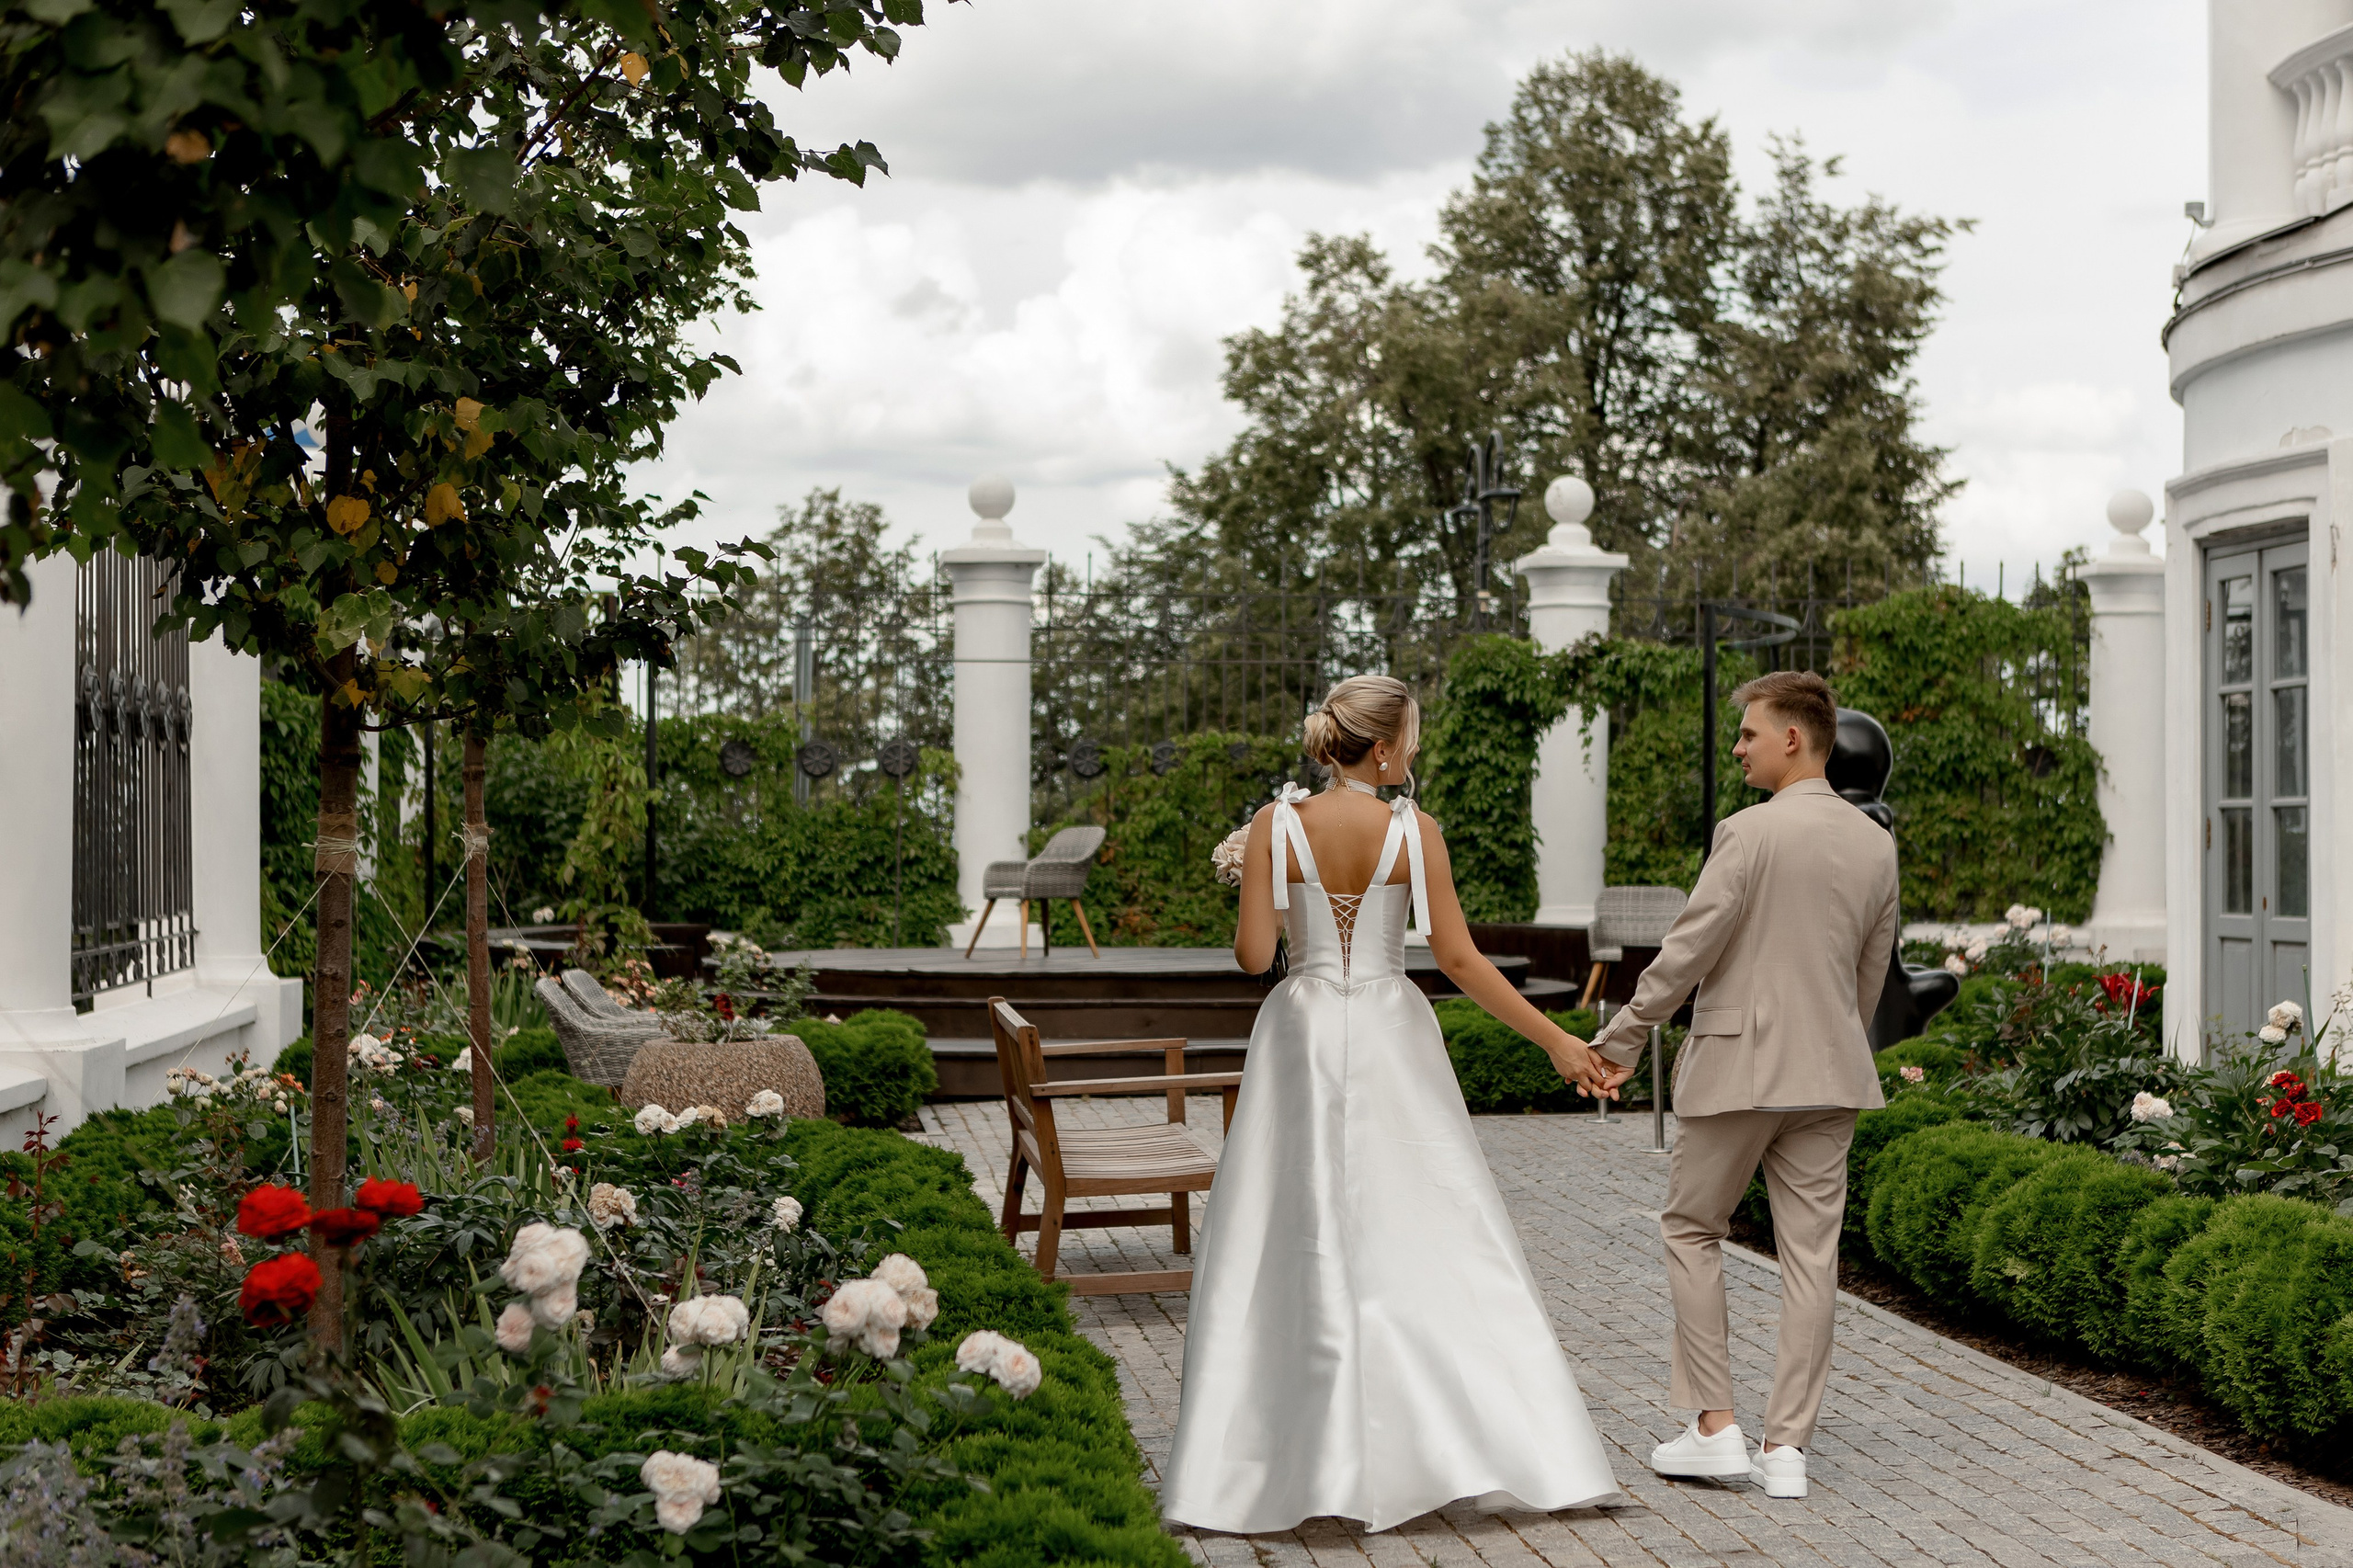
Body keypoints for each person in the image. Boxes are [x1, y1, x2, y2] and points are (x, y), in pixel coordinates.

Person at [1160, 675, 1624, 1536]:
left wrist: (1256, 877)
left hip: (1297, 1031)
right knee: (1426, 1219)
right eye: (1409, 737)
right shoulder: (1417, 831)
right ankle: (1457, 1436)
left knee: (1285, 1225)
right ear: (1382, 748)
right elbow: (1458, 958)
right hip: (1387, 1027)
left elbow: (1253, 954)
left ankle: (1276, 1454)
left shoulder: (1275, 824)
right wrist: (1558, 1040)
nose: (1413, 749)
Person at [1588, 670, 1899, 1502]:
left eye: (1749, 734)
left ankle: (1715, 1429)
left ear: (1793, 738)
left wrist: (1619, 1041)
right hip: (1831, 1073)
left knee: (1691, 1228)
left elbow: (1687, 950)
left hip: (1737, 1070)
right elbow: (1868, 979)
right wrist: (1834, 1041)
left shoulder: (1748, 833)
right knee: (1812, 1261)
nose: (1738, 748)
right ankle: (1788, 1450)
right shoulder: (1876, 843)